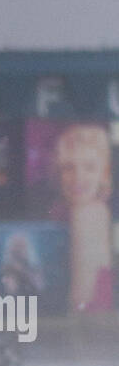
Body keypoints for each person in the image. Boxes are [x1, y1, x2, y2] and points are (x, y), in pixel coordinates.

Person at [52, 124, 113, 311]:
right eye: (68, 168)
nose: (78, 177)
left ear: (104, 174)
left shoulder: (88, 212)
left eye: (89, 167)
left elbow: (82, 300)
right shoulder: (61, 211)